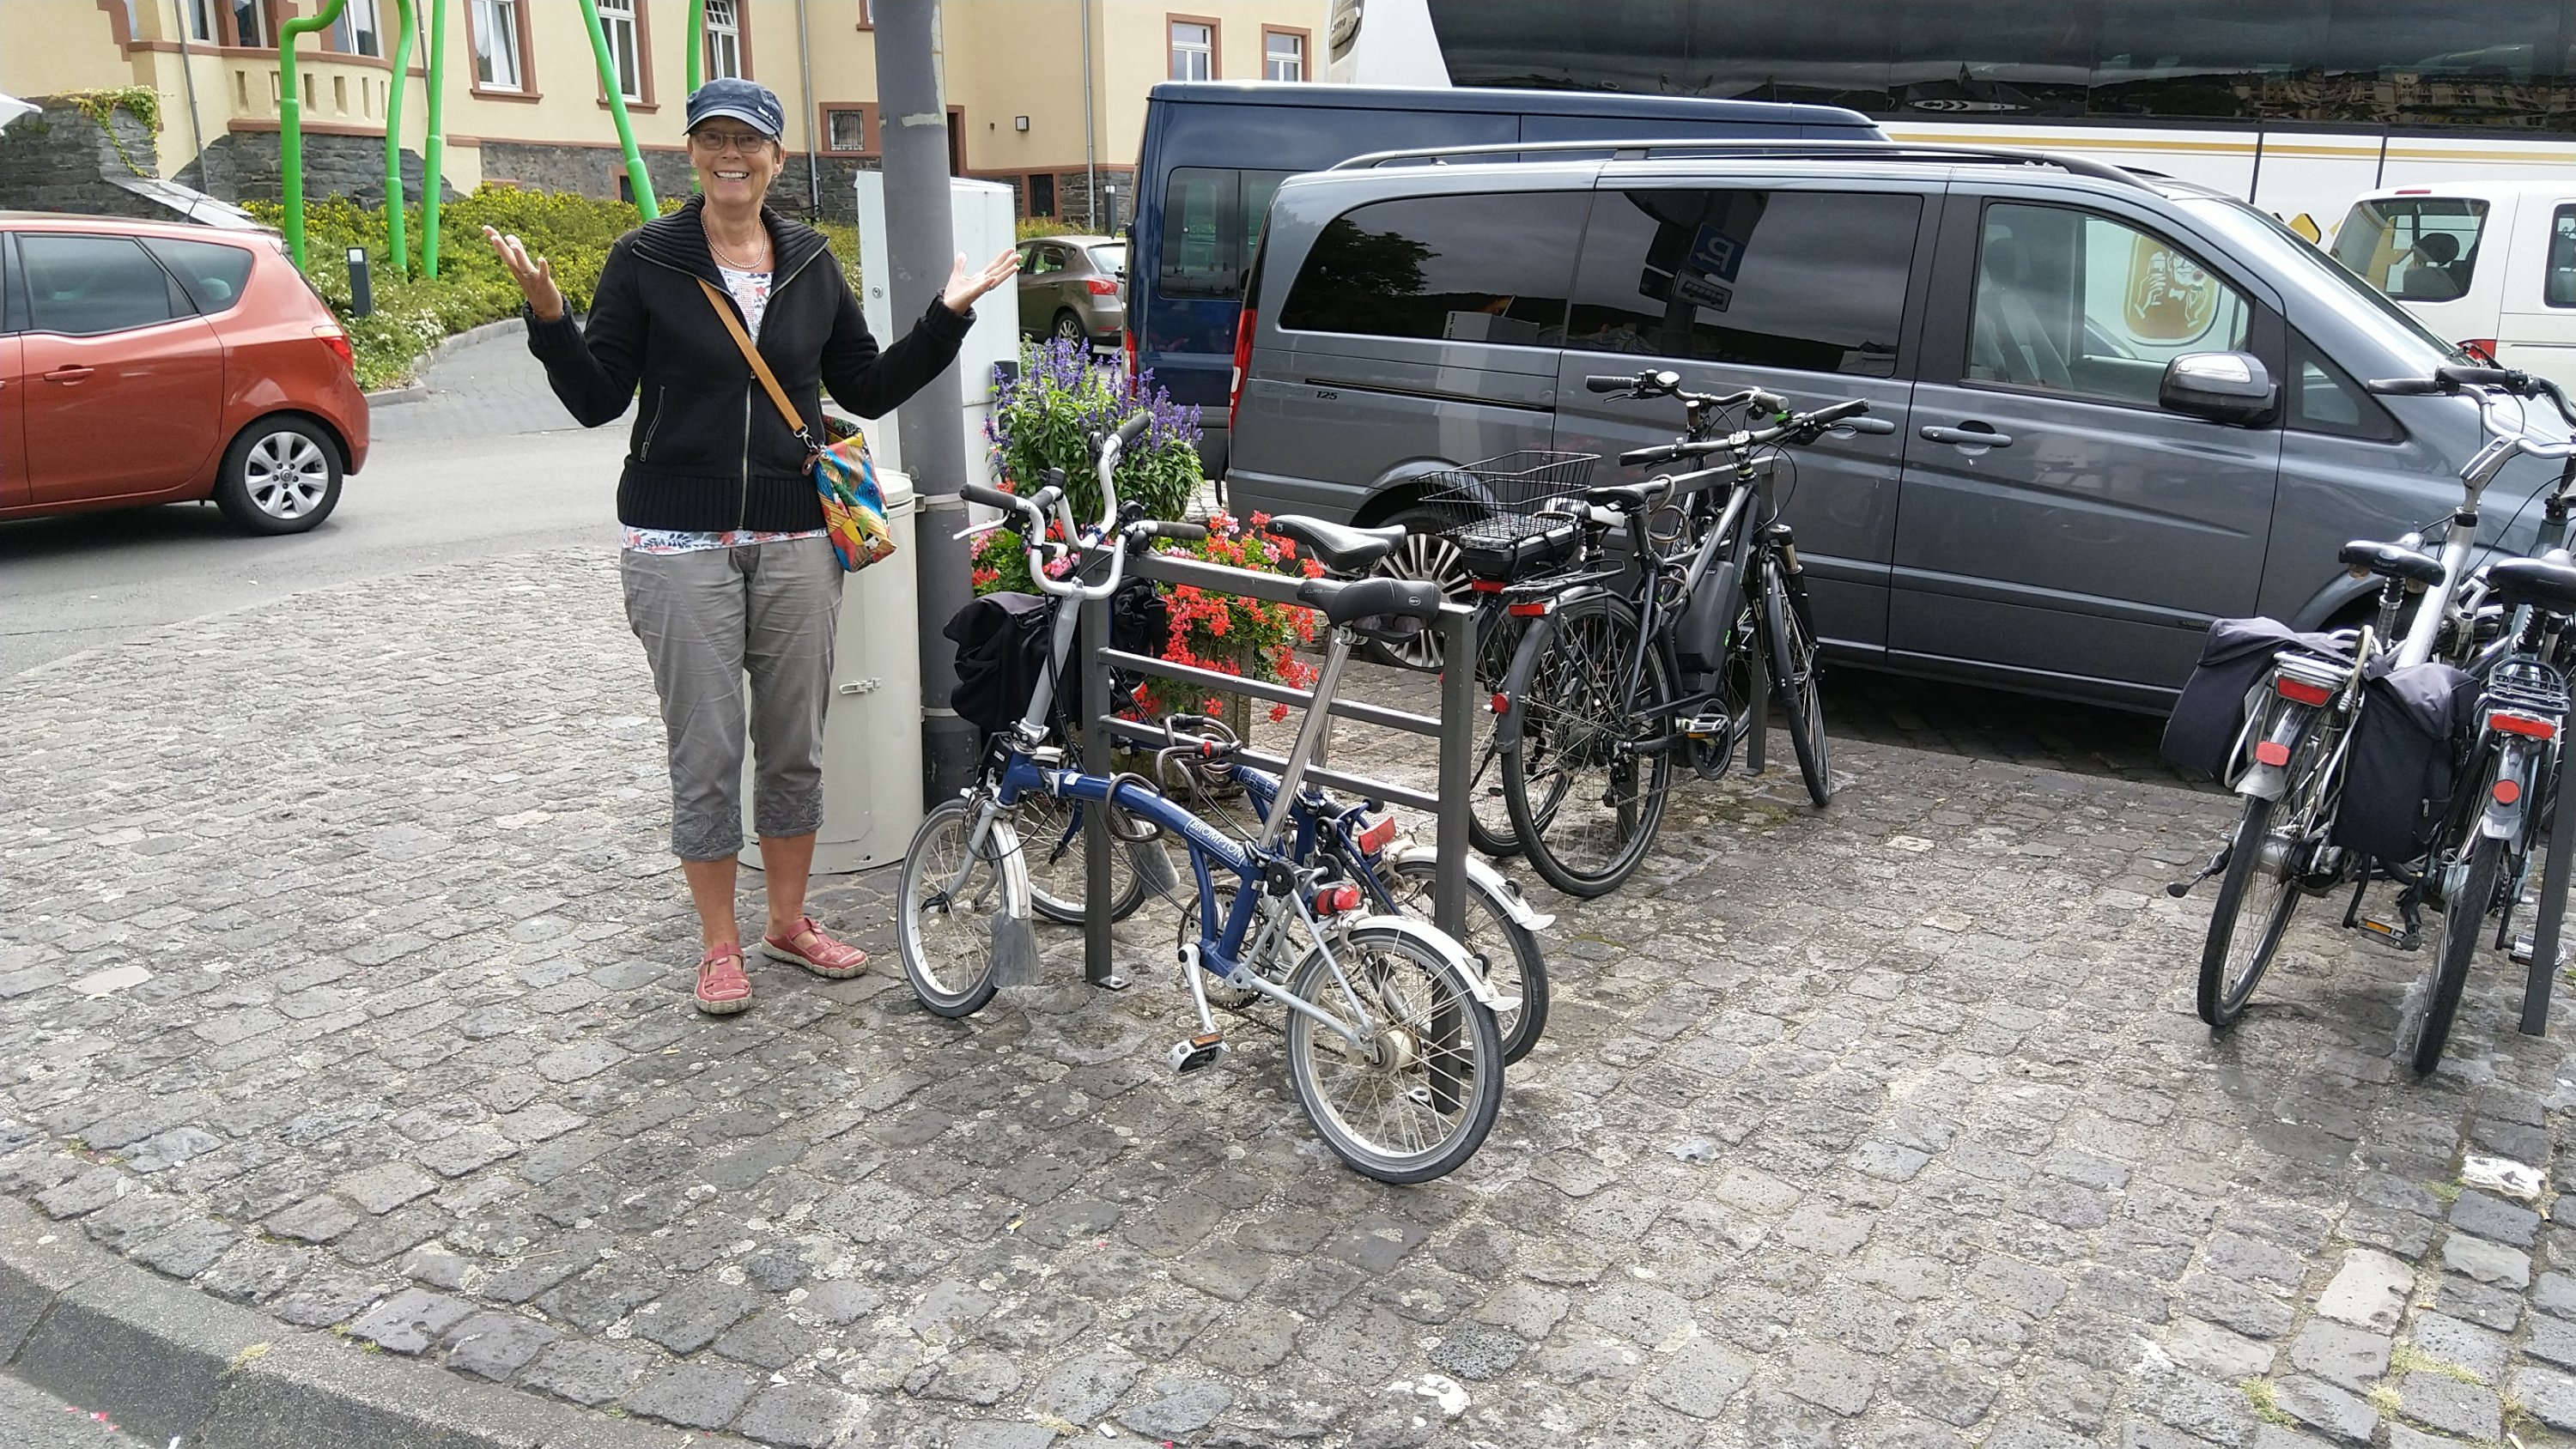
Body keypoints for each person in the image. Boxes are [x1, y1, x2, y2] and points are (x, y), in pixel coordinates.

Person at [484, 78, 1018, 1015]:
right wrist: (551, 319)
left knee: (795, 745)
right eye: (714, 139)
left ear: (775, 156)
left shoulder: (810, 260)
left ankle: (787, 921)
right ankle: (718, 943)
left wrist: (946, 319)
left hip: (797, 538)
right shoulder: (647, 258)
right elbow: (598, 398)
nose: (730, 156)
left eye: (748, 141)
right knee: (706, 749)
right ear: (693, 153)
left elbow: (866, 384)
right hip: (676, 541)